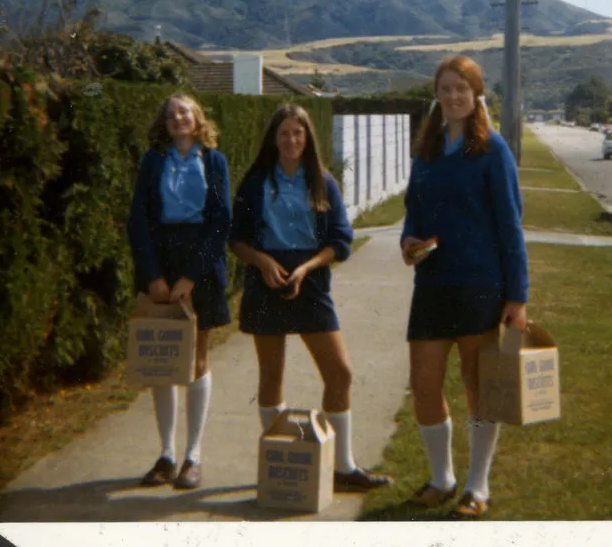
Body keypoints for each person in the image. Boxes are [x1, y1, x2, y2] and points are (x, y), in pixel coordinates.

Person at [229, 103, 392, 493]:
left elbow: (341, 241)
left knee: (340, 373)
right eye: (284, 133)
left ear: (308, 137)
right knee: (272, 377)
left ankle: (343, 466)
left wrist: (307, 268)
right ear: (274, 138)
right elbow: (236, 239)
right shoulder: (255, 183)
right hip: (265, 285)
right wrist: (263, 261)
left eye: (298, 133)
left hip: (311, 284)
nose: (291, 140)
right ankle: (279, 458)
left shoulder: (323, 182)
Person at [400, 56, 528, 519]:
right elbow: (412, 211)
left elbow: (512, 227)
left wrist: (517, 296)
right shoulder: (427, 151)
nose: (453, 96)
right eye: (446, 88)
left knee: (479, 388)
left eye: (462, 89)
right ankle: (442, 478)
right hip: (432, 284)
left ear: (476, 96)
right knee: (425, 383)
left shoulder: (493, 150)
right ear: (436, 95)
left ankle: (478, 486)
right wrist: (408, 241)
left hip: (480, 286)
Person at [127, 94, 232, 490]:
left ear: (197, 117)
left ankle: (194, 455)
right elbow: (138, 219)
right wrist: (153, 276)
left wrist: (190, 277)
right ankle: (166, 454)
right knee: (162, 360)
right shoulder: (153, 160)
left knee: (196, 361)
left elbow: (221, 221)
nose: (177, 119)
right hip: (159, 264)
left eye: (183, 112)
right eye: (169, 114)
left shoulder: (213, 160)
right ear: (163, 123)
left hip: (200, 266)